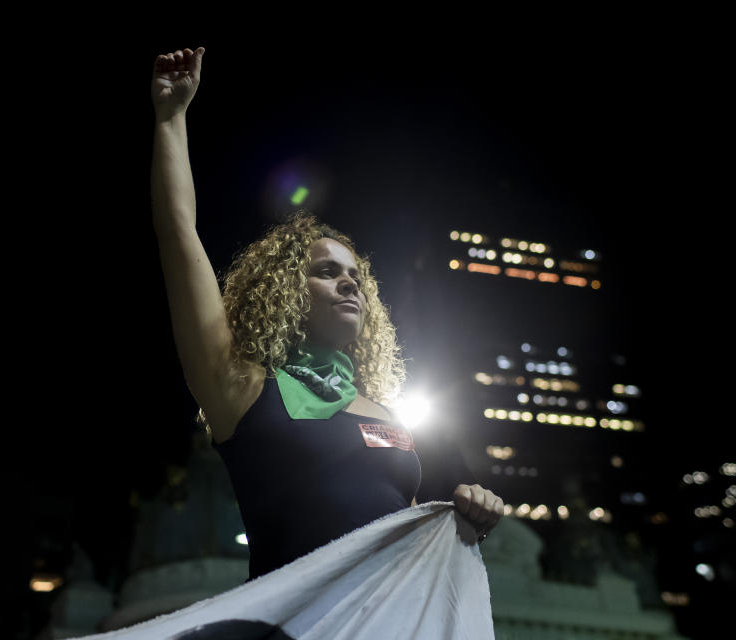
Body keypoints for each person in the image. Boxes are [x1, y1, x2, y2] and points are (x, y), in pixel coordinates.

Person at [150, 47, 503, 582]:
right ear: (287, 293)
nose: (349, 283)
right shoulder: (240, 387)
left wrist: (474, 510)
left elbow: (410, 538)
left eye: (356, 276)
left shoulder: (389, 415)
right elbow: (179, 233)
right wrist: (171, 118)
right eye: (325, 272)